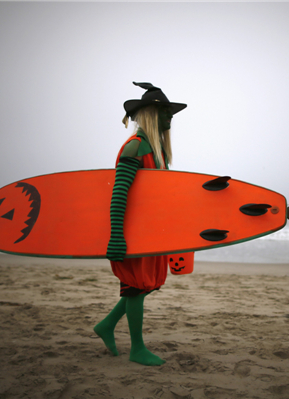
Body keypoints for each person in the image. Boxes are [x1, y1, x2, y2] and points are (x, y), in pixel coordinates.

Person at [93, 82, 187, 366]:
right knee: (135, 286)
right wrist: (117, 236)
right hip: (132, 233)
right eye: (165, 111)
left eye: (171, 112)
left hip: (149, 233)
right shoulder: (135, 147)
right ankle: (137, 349)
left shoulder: (157, 153)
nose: (170, 117)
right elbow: (118, 195)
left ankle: (107, 326)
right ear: (150, 113)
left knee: (143, 285)